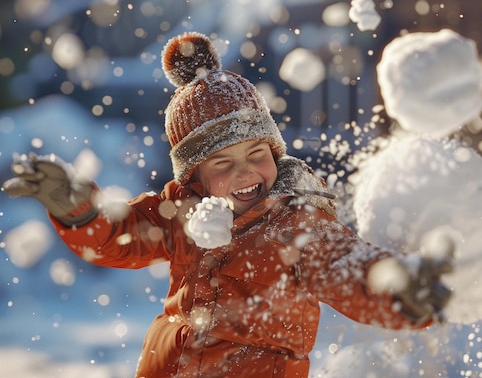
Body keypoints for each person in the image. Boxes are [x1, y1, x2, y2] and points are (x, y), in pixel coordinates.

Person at [2, 32, 453, 378]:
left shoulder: (297, 225)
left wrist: (399, 293)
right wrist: (79, 210)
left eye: (257, 154)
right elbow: (120, 239)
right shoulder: (180, 213)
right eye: (222, 162)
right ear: (193, 177)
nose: (245, 172)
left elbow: (346, 267)